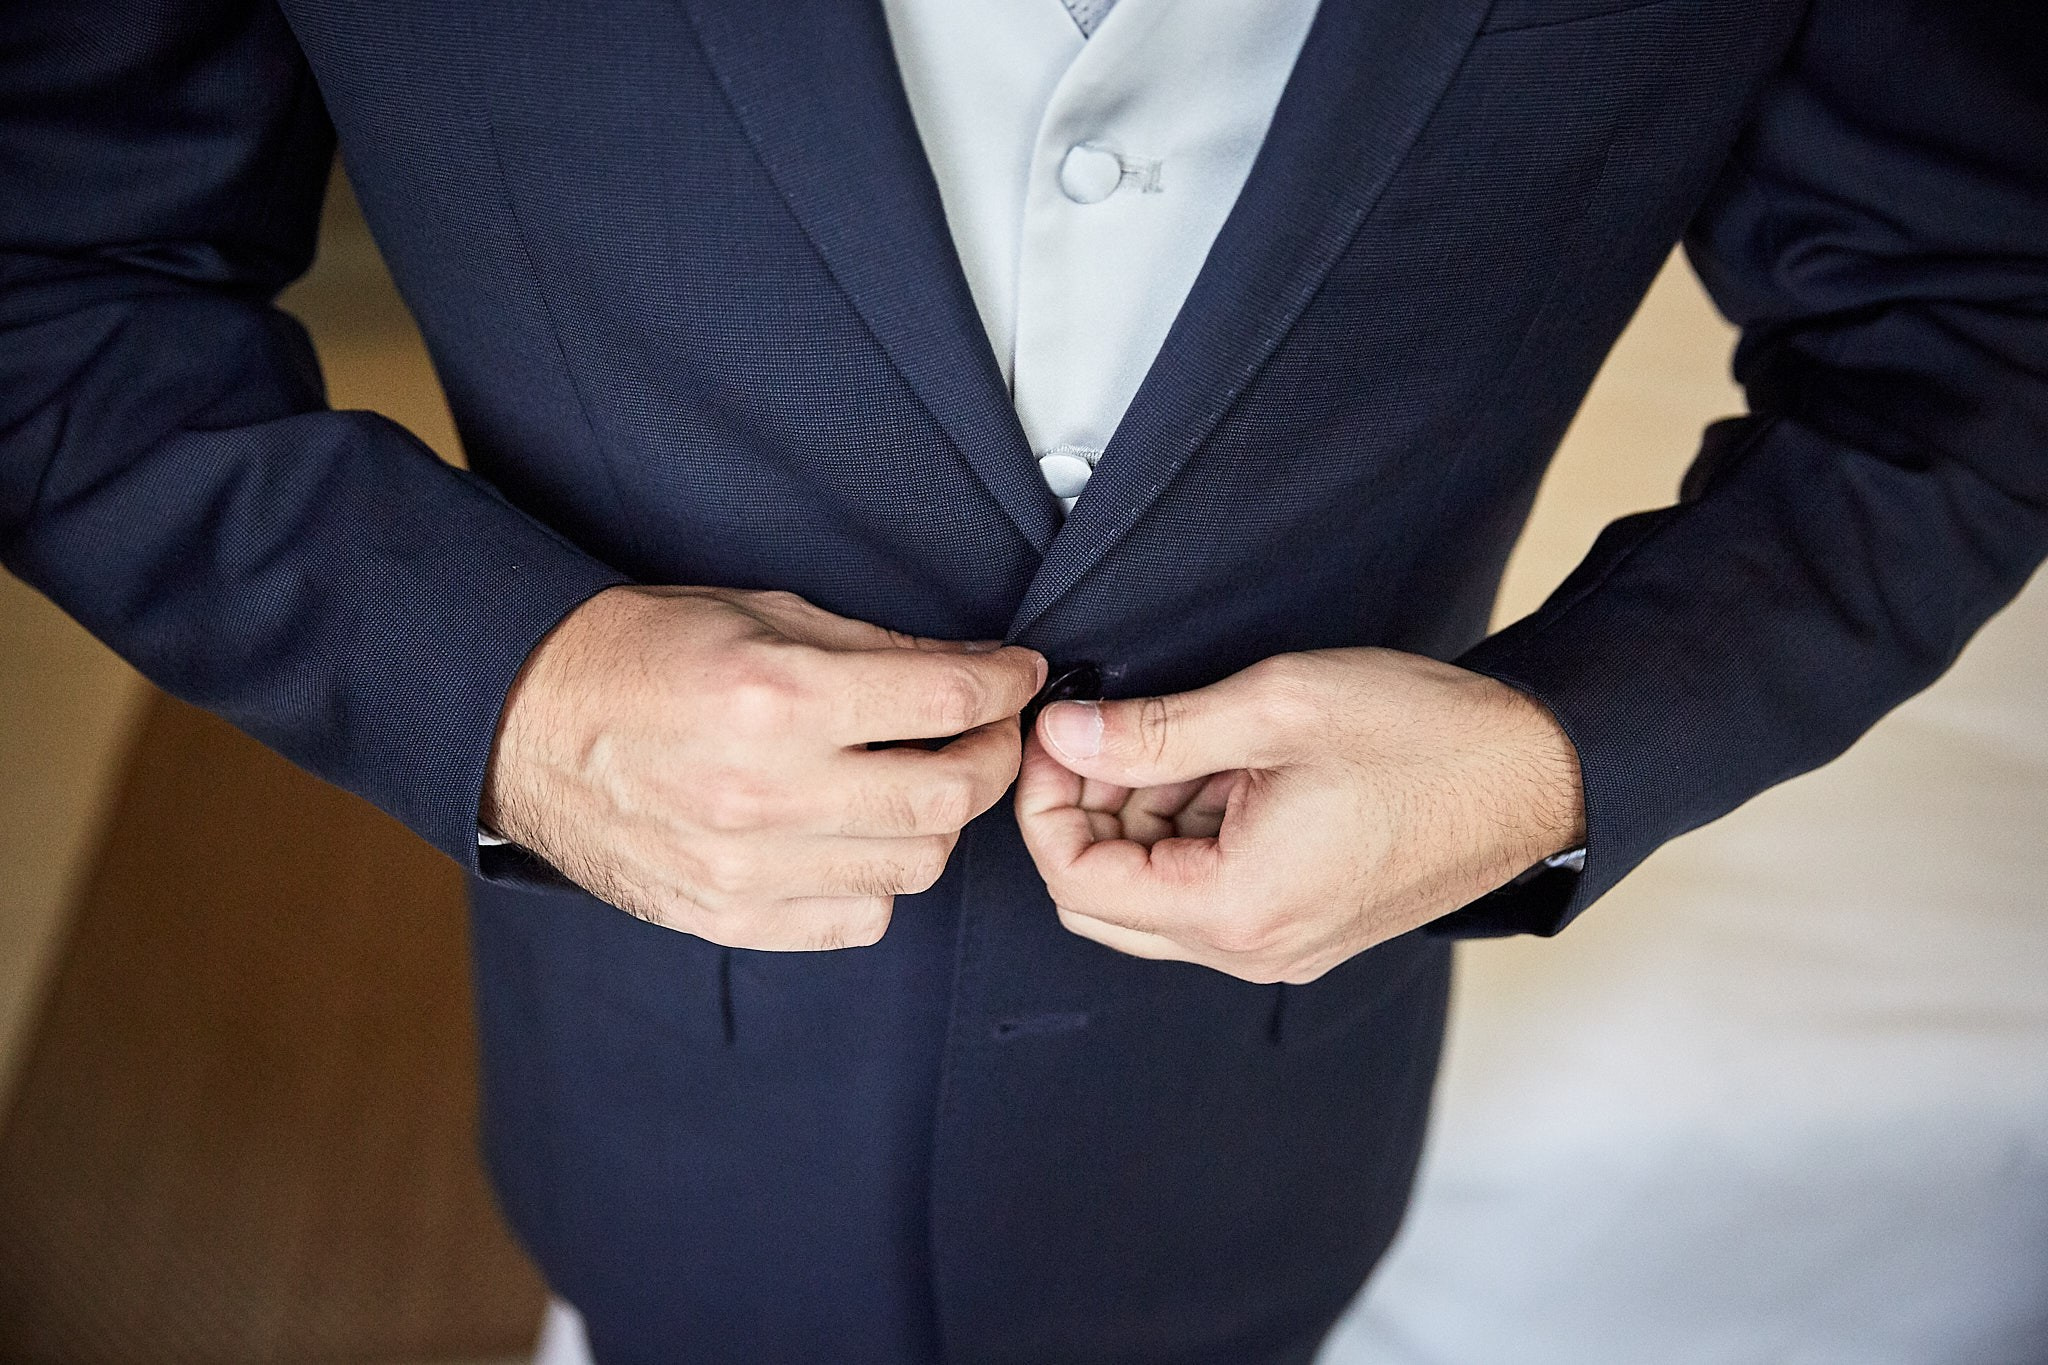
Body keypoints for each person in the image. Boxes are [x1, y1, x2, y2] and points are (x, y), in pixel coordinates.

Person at [1, 1, 2041, 1362]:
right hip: (662, 1096)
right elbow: (52, 279)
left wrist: (1557, 749)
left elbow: (1974, 323)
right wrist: (517, 702)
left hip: (1257, 1134)